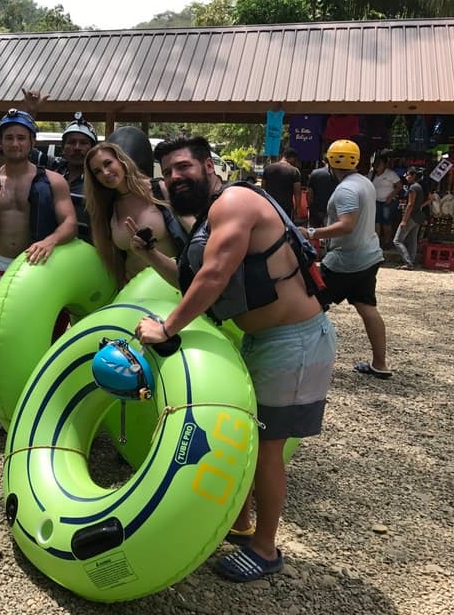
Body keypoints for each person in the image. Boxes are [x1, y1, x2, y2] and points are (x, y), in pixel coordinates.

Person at [134, 136, 335, 583]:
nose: (174, 178)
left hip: (294, 341)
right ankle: (241, 525)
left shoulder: (235, 202)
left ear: (209, 166)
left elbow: (215, 274)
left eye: (183, 167)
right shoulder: (211, 216)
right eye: (167, 172)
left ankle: (265, 550)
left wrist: (166, 329)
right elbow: (192, 281)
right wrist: (148, 253)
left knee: (267, 450)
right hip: (265, 342)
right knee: (245, 438)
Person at [0, 107, 77, 437]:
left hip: (36, 266)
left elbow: (69, 222)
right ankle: (4, 410)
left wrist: (51, 240)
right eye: (9, 137)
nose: (15, 143)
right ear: (1, 142)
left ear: (32, 141)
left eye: (21, 137)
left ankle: (42, 405)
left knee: (41, 337)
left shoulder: (53, 181)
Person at [309, 139, 390, 379]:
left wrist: (313, 233)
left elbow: (346, 225)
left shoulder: (345, 190)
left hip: (345, 262)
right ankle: (380, 365)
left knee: (308, 306)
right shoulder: (365, 182)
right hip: (369, 256)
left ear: (329, 163)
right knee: (367, 307)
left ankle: (309, 365)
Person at [83, 142, 186, 286]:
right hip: (134, 289)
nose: (105, 173)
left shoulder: (159, 189)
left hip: (173, 286)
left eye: (108, 163)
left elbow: (193, 230)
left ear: (122, 161)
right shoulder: (107, 209)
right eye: (97, 171)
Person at [52, 112, 98, 242]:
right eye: (72, 142)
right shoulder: (54, 168)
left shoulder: (99, 178)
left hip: (87, 252)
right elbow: (24, 149)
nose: (77, 148)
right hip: (50, 250)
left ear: (92, 148)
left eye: (83, 143)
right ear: (63, 147)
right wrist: (30, 112)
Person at [393, 166, 427, 269]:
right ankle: (411, 261)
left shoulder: (413, 187)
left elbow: (410, 204)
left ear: (413, 176)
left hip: (411, 216)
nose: (406, 177)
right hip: (418, 216)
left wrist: (404, 220)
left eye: (408, 175)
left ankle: (408, 262)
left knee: (397, 240)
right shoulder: (419, 187)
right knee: (413, 240)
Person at [369, 152, 401, 250]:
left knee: (386, 222)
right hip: (376, 201)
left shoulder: (390, 174)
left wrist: (391, 196)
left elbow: (399, 186)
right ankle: (377, 242)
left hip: (388, 202)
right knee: (376, 222)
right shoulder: (371, 174)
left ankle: (387, 241)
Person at [261, 147, 302, 220]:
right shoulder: (294, 171)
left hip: (270, 206)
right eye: (295, 160)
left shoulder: (268, 169)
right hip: (285, 208)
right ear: (292, 158)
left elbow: (263, 189)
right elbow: (297, 193)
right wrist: (297, 208)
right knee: (285, 229)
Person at [305, 157, 338, 229]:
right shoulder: (337, 175)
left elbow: (309, 193)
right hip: (330, 210)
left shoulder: (315, 173)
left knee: (312, 233)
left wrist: (309, 206)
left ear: (323, 161)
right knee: (328, 234)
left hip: (316, 209)